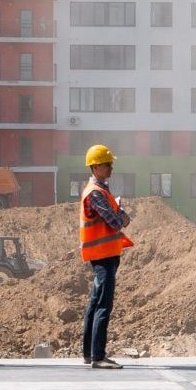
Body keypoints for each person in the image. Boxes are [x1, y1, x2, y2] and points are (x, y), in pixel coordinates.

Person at [78, 144, 133, 369]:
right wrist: (122, 215)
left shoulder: (101, 191)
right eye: (108, 164)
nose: (111, 167)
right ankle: (98, 356)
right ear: (96, 166)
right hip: (103, 256)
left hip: (104, 254)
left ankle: (89, 354)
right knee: (103, 304)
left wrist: (118, 212)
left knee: (95, 303)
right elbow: (116, 221)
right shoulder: (95, 193)